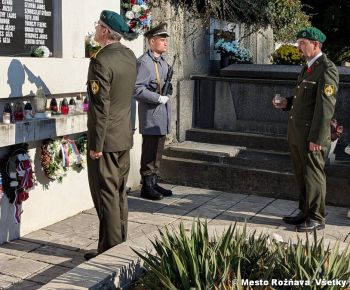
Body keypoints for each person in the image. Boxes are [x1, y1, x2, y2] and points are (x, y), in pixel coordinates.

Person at [273, 27, 339, 232]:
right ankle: (305, 212)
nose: (298, 47)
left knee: (313, 175)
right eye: (298, 42)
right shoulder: (307, 67)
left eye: (303, 43)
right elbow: (305, 101)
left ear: (316, 45)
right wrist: (287, 103)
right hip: (298, 133)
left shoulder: (326, 68)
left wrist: (317, 138)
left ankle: (317, 217)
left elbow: (325, 107)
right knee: (302, 174)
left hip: (312, 135)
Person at [85, 10, 137, 260]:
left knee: (105, 196)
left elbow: (100, 107)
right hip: (123, 136)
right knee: (118, 193)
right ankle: (112, 245)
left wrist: (96, 144)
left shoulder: (100, 61)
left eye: (98, 26)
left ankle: (112, 253)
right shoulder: (129, 56)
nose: (95, 29)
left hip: (105, 140)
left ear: (105, 31)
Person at [134, 23, 173, 200]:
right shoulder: (145, 62)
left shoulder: (162, 63)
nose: (165, 43)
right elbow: (137, 89)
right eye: (162, 40)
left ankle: (153, 182)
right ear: (152, 41)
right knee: (150, 150)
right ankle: (146, 186)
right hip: (151, 114)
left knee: (158, 150)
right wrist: (157, 98)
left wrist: (167, 89)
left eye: (166, 40)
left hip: (162, 114)